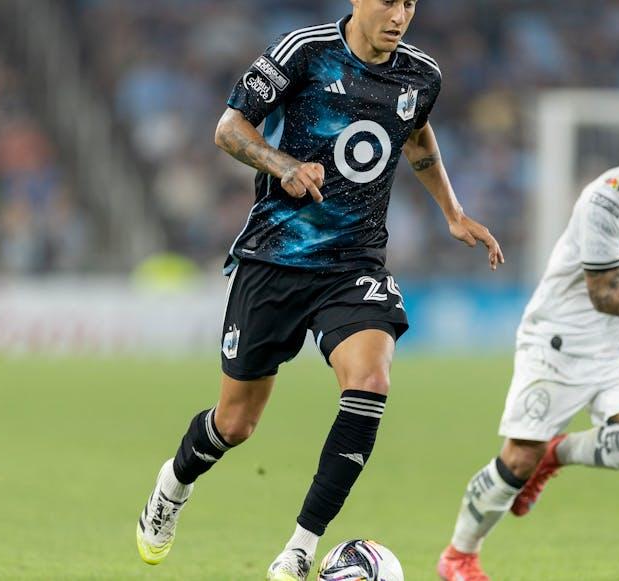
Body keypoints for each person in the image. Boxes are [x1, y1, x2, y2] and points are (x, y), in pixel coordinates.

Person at [134, 1, 504, 580]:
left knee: (371, 382)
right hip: (275, 260)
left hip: (354, 263)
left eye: (410, 2)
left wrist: (452, 214)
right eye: (388, 1)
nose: (400, 14)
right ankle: (172, 485)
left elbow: (416, 134)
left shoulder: (421, 75)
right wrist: (282, 165)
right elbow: (229, 128)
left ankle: (300, 548)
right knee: (236, 424)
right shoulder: (302, 52)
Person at [438, 94, 619, 581]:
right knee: (518, 458)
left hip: (618, 343)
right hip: (559, 339)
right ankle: (459, 555)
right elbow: (604, 292)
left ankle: (559, 453)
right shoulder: (606, 196)